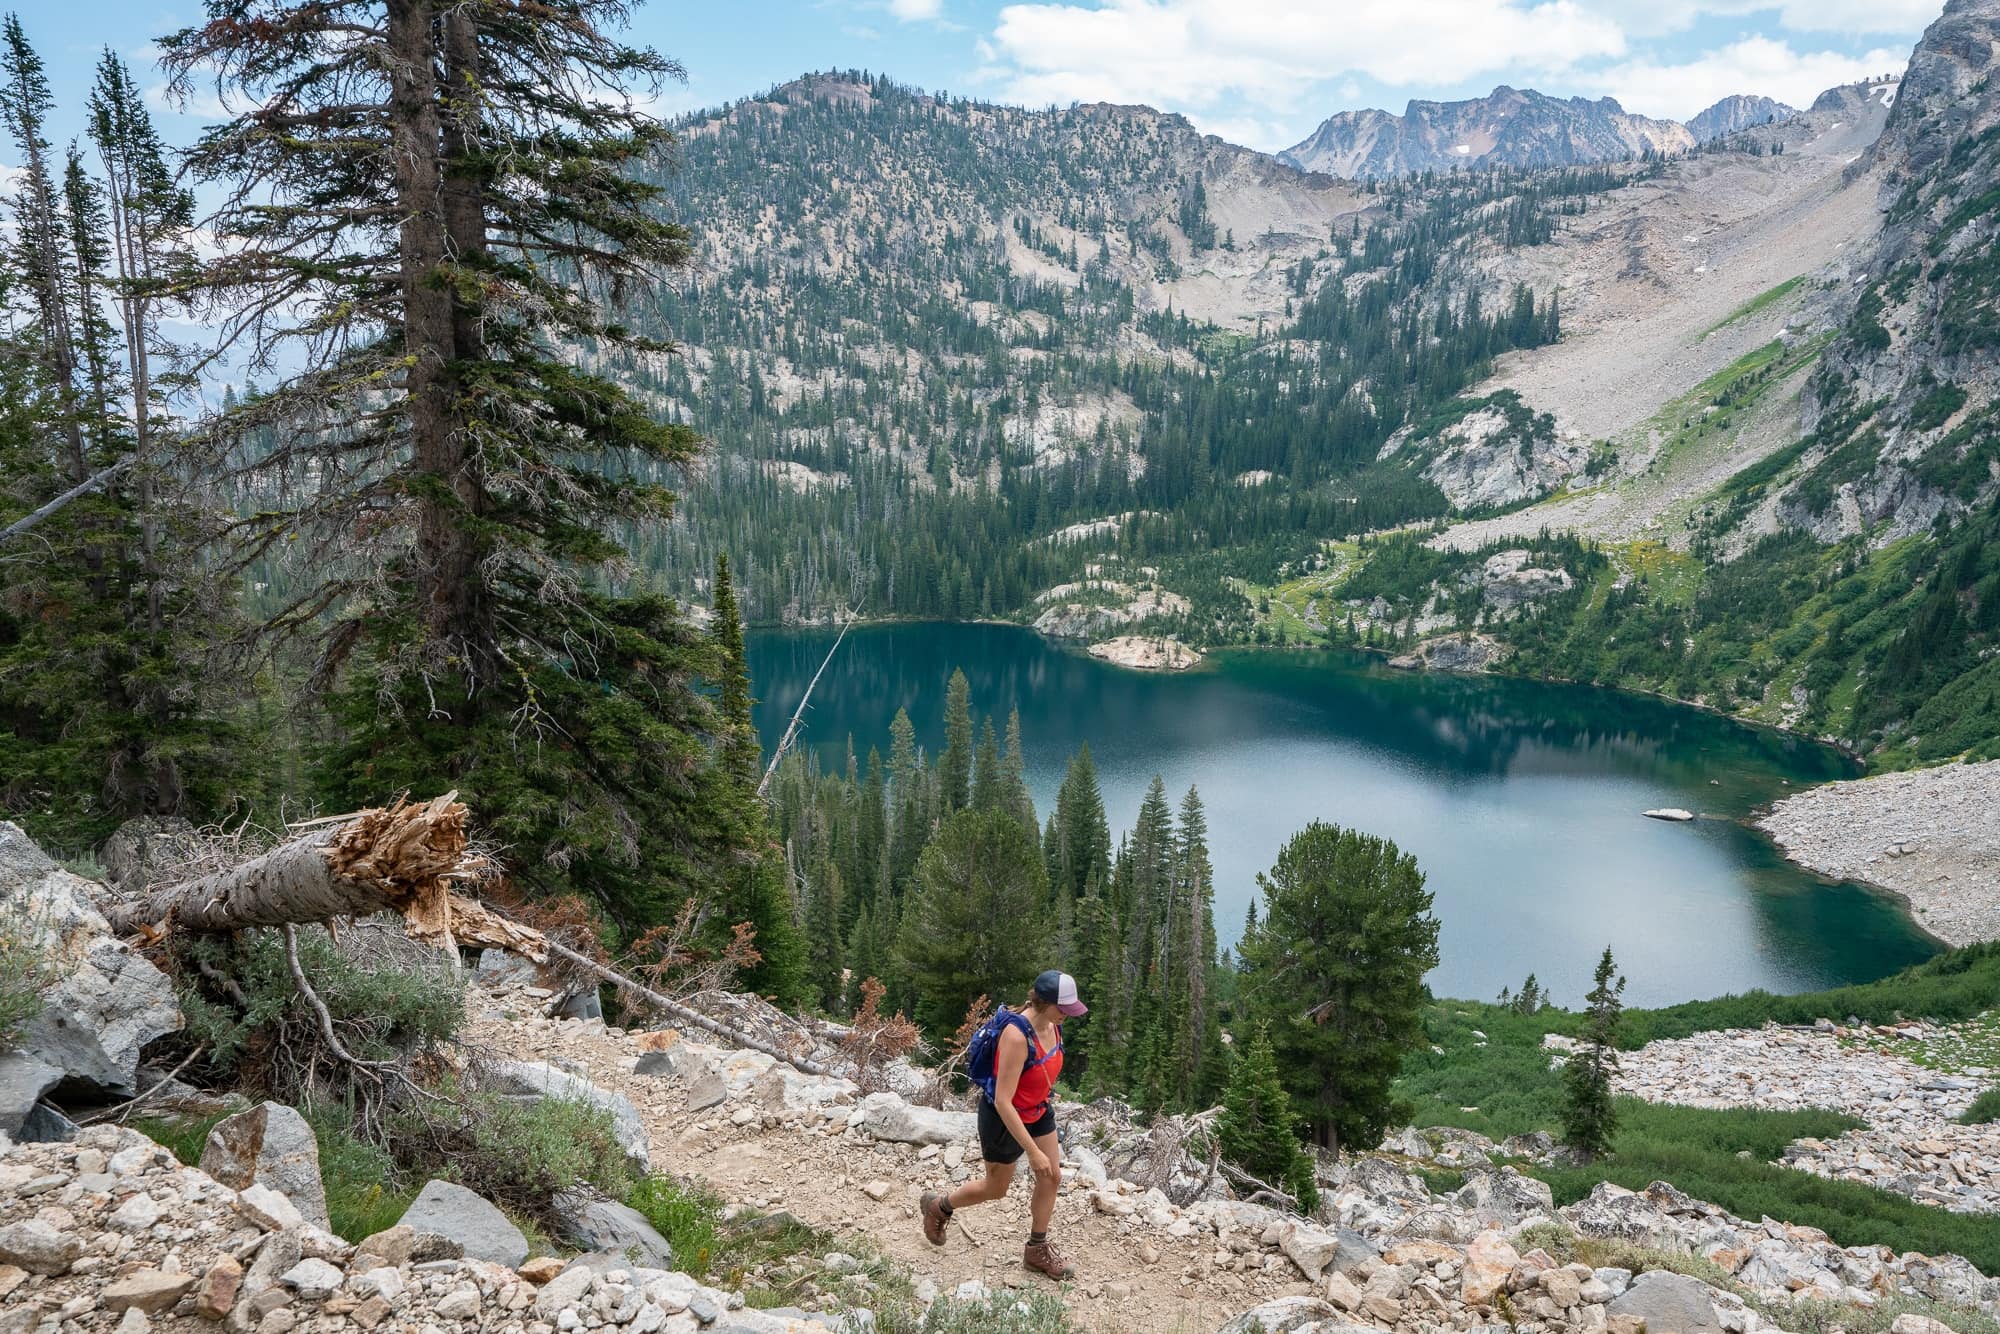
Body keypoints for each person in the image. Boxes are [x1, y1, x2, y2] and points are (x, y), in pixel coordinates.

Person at [920, 969, 1086, 1281]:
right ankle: (939, 1206)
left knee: (1051, 1177)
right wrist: (1032, 1152)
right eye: (1063, 1008)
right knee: (996, 1189)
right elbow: (1002, 1101)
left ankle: (1037, 1249)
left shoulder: (1052, 1024)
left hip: (1038, 1110)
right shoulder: (1016, 1036)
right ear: (1045, 1002)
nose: (1068, 1015)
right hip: (1004, 1119)